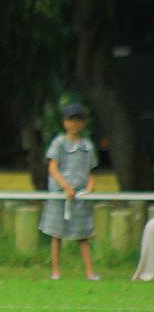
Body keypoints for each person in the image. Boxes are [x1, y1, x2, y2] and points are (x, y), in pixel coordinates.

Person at [38, 103, 100, 281]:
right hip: (60, 194)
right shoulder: (58, 142)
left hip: (80, 196)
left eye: (78, 120)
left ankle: (90, 272)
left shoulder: (88, 145)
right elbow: (53, 167)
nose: (74, 124)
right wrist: (66, 187)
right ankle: (56, 272)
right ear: (64, 122)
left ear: (84, 123)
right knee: (57, 234)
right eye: (70, 120)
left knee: (83, 235)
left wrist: (89, 187)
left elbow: (91, 172)